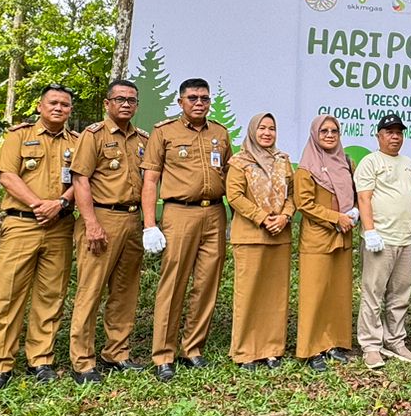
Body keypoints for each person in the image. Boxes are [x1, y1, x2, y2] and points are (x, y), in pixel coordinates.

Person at [0, 85, 78, 393]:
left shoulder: (77, 142)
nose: (58, 108)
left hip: (60, 226)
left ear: (70, 110)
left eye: (65, 104)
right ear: (40, 106)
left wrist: (61, 203)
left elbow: (84, 178)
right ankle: (1, 365)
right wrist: (40, 204)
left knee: (51, 296)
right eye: (53, 102)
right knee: (9, 295)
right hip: (22, 224)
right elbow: (8, 175)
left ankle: (41, 360)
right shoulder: (19, 136)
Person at [141, 78, 232, 382]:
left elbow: (231, 176)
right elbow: (151, 180)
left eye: (204, 98)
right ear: (180, 102)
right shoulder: (164, 132)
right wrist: (150, 224)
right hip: (180, 213)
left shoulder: (220, 132)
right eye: (192, 97)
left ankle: (192, 349)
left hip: (215, 213)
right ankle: (163, 355)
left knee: (207, 283)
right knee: (174, 283)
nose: (199, 103)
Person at [68, 80, 151, 383]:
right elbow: (80, 180)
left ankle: (117, 352)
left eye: (131, 100)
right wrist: (90, 223)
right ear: (107, 103)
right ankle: (82, 360)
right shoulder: (94, 135)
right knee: (91, 290)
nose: (126, 104)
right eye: (120, 99)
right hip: (102, 218)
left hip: (132, 221)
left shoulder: (142, 139)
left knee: (125, 290)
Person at [226, 112, 295, 371]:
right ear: (253, 131)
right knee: (249, 294)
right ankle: (245, 351)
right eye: (262, 128)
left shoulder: (283, 160)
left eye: (272, 129)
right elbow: (234, 196)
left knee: (275, 295)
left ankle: (271, 349)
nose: (267, 133)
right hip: (251, 235)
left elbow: (293, 194)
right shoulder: (239, 161)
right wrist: (264, 218)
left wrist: (285, 216)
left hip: (280, 236)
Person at [354, 113, 411, 369]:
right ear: (379, 136)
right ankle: (371, 345)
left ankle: (395, 339)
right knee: (373, 292)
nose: (395, 137)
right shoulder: (370, 162)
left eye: (398, 132)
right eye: (389, 132)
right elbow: (363, 198)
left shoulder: (408, 163)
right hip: (379, 240)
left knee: (400, 293)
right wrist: (369, 231)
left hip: (405, 239)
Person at [294, 115, 356, 372]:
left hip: (342, 236)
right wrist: (335, 217)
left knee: (337, 294)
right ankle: (311, 349)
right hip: (318, 237)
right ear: (314, 134)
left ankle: (332, 343)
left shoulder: (347, 163)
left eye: (334, 131)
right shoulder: (306, 167)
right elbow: (304, 204)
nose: (330, 135)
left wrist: (353, 214)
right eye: (324, 131)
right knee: (315, 295)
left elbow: (353, 193)